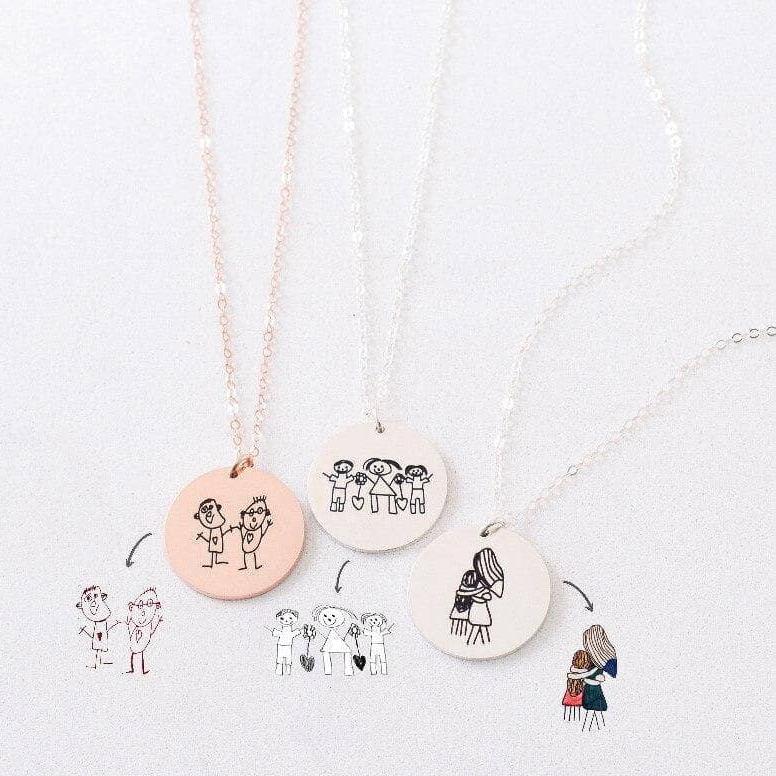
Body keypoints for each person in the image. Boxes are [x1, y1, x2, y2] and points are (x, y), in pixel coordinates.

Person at [76, 585, 120, 669]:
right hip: (99, 632)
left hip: (101, 632)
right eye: (88, 598)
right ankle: (98, 663)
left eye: (95, 596)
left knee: (100, 647)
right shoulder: (97, 621)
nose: (93, 601)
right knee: (98, 647)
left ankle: (99, 663)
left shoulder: (102, 620)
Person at [125, 588, 163, 675]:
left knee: (139, 653)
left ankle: (139, 670)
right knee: (136, 653)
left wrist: (157, 617)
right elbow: (131, 624)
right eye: (140, 605)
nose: (142, 609)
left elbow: (152, 627)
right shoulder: (134, 624)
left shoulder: (147, 627)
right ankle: (135, 669)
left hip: (141, 638)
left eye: (149, 604)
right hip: (136, 638)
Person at [562, 649, 591, 721]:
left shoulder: (572, 673)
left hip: (569, 696)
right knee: (578, 715)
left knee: (568, 713)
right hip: (579, 697)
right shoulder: (585, 675)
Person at [271, 609, 302, 676]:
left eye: (290, 618)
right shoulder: (284, 632)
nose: (286, 621)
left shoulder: (289, 632)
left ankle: (287, 672)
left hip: (288, 645)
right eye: (282, 618)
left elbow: (290, 634)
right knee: (280, 658)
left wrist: (296, 632)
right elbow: (286, 634)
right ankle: (279, 671)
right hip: (281, 645)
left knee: (288, 659)